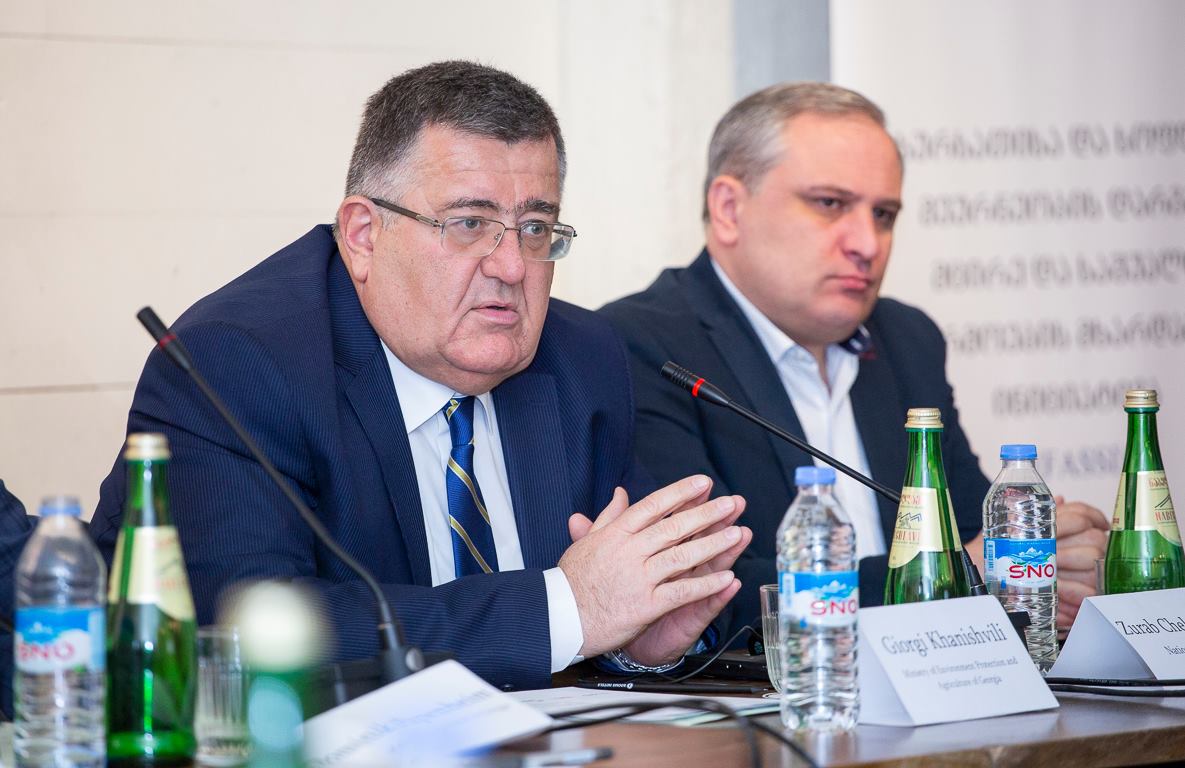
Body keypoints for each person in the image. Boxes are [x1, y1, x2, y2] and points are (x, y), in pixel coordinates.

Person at [89, 61, 751, 690]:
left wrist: (638, 642)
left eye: (534, 228)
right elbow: (248, 631)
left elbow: (611, 608)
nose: (512, 267)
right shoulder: (235, 364)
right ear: (363, 235)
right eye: (469, 224)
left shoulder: (581, 358)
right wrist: (565, 611)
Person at [599, 82, 1108, 639]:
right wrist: (959, 574)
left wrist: (1051, 558)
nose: (867, 243)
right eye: (830, 204)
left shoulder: (907, 340)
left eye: (884, 214)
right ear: (728, 209)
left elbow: (972, 530)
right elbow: (704, 593)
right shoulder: (638, 348)